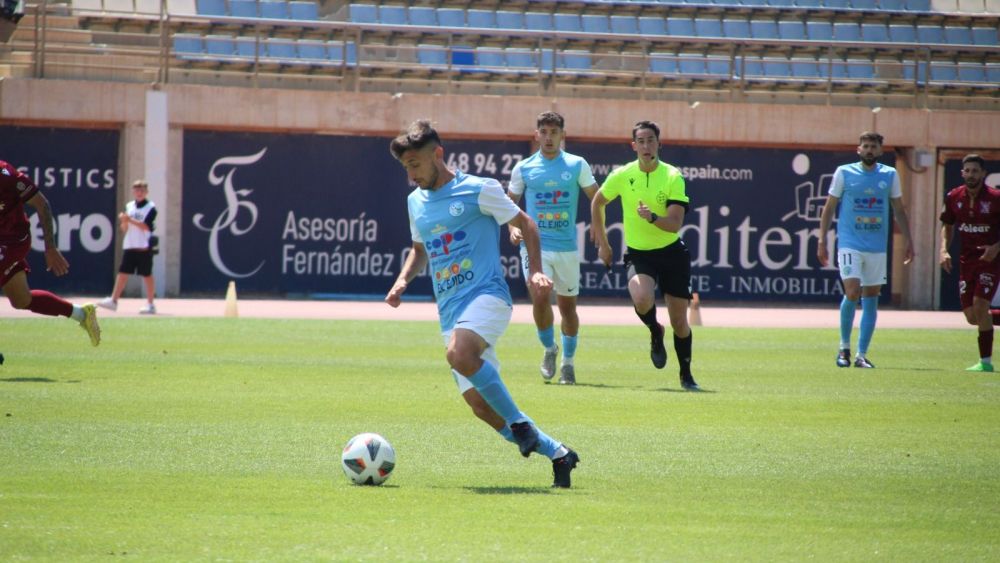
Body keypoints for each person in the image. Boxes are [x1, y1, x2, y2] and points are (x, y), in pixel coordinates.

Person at [385, 119, 580, 488]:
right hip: (450, 312)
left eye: (414, 165)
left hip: (487, 297)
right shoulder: (415, 202)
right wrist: (402, 281)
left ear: (437, 155)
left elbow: (527, 223)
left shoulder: (479, 189)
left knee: (458, 354)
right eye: (405, 168)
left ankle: (520, 423)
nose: (410, 176)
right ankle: (558, 453)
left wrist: (536, 272)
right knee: (481, 406)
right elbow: (419, 250)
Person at [590, 120, 700, 391]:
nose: (646, 146)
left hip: (672, 254)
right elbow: (598, 202)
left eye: (651, 140)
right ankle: (654, 330)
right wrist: (603, 243)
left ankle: (686, 376)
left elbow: (675, 223)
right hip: (639, 254)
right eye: (641, 141)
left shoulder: (672, 176)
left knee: (679, 322)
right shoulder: (622, 175)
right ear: (634, 146)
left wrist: (651, 217)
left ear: (659, 144)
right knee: (641, 298)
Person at [506, 111, 599, 385]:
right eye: (544, 132)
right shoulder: (524, 168)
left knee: (568, 309)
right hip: (536, 246)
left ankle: (568, 363)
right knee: (540, 294)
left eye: (554, 133)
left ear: (562, 135)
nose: (548, 138)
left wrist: (597, 225)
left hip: (566, 247)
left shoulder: (576, 164)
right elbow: (509, 205)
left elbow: (597, 197)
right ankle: (549, 349)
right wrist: (512, 228)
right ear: (536, 135)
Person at [817, 132, 914, 369]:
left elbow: (899, 209)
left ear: (880, 151)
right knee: (852, 291)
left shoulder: (889, 175)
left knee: (871, 297)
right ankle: (843, 348)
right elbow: (829, 207)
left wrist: (909, 240)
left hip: (877, 246)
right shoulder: (844, 172)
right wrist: (821, 240)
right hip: (850, 243)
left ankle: (861, 355)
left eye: (874, 146)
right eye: (866, 146)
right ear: (858, 149)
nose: (869, 150)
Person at [0, 159, 100, 346]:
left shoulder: (6, 175)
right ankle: (81, 314)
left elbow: (42, 204)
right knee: (21, 299)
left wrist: (50, 248)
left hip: (13, 242)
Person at [939, 154, 1000, 372]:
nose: (971, 174)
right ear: (962, 173)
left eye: (975, 171)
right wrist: (943, 250)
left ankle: (985, 363)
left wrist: (996, 247)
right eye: (968, 171)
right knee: (973, 317)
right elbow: (947, 225)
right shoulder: (954, 196)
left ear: (983, 173)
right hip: (967, 261)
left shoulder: (995, 198)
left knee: (981, 305)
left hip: (990, 260)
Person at [98, 179, 157, 314]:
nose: (139, 193)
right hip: (130, 245)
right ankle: (113, 300)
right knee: (123, 273)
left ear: (146, 192)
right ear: (133, 192)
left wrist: (129, 219)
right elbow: (124, 228)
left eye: (142, 190)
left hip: (143, 246)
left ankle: (150, 304)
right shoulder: (129, 206)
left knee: (147, 275)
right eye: (137, 190)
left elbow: (147, 227)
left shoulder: (151, 207)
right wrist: (124, 221)